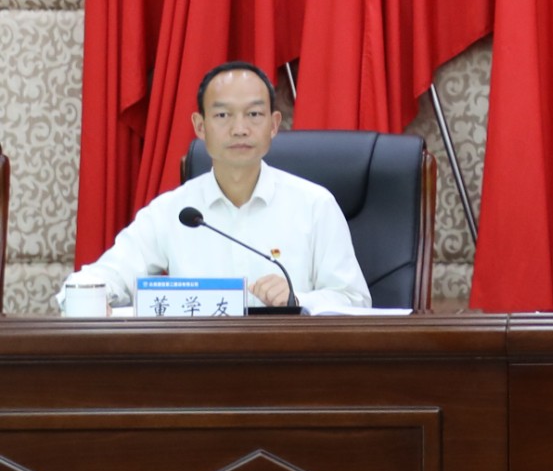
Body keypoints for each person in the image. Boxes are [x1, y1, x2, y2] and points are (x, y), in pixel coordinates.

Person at [60, 62, 370, 313]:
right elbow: (101, 277)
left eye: (254, 114)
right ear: (200, 126)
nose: (239, 129)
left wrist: (297, 299)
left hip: (289, 363)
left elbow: (355, 300)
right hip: (197, 365)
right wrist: (89, 298)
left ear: (274, 125)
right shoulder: (174, 211)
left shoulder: (315, 205)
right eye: (222, 115)